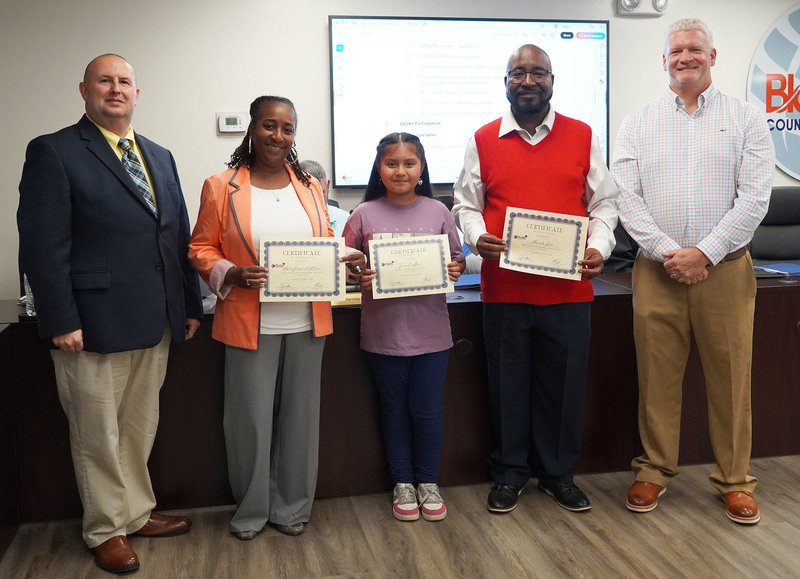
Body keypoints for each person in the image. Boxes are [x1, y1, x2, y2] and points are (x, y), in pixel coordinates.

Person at [16, 54, 203, 574]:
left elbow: (176, 236)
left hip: (156, 317)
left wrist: (186, 301)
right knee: (96, 433)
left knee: (139, 427)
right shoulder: (53, 151)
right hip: (90, 323)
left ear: (137, 94)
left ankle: (137, 514)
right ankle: (104, 528)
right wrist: (59, 318)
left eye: (124, 82)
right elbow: (41, 244)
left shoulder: (159, 155)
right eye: (105, 80)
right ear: (84, 90)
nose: (116, 89)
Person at [611, 18, 774, 524]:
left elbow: (755, 198)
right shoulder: (636, 121)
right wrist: (668, 252)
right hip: (656, 271)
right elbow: (625, 197)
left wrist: (703, 252)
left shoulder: (748, 119)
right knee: (656, 377)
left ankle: (734, 480)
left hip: (724, 270)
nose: (685, 56)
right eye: (676, 50)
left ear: (712, 56)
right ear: (663, 61)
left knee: (731, 380)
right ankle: (654, 470)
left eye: (695, 49)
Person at [188, 95, 365, 541]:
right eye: (269, 126)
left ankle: (292, 508)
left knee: (301, 421)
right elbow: (200, 248)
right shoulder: (220, 185)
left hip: (308, 323)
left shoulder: (307, 185)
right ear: (252, 128)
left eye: (287, 129)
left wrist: (348, 254)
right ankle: (250, 511)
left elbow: (325, 240)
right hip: (251, 323)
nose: (278, 136)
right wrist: (232, 272)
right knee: (248, 423)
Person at [452, 44, 619, 514]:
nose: (528, 81)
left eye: (538, 73)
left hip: (568, 290)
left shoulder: (582, 135)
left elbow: (605, 202)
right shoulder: (483, 139)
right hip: (504, 288)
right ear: (505, 82)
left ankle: (558, 475)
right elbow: (464, 203)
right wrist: (477, 236)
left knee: (563, 388)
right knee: (506, 385)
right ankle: (509, 474)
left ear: (552, 80)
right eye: (518, 73)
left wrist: (598, 246)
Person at [344, 132, 465, 521]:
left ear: (421, 168)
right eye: (391, 163)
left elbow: (458, 260)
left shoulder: (438, 211)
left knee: (428, 412)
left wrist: (454, 268)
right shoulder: (362, 215)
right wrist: (357, 274)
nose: (400, 171)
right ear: (379, 169)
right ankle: (402, 484)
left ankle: (428, 482)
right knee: (394, 411)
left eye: (409, 163)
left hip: (432, 335)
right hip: (382, 335)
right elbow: (344, 266)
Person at [299, 159, 351, 237]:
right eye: (310, 193)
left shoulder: (346, 220)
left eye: (321, 192)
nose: (316, 199)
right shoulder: (291, 223)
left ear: (328, 186)